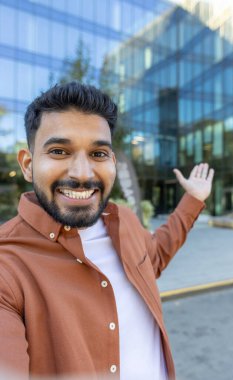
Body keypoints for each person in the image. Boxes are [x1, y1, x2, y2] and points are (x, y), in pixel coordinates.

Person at [0, 82, 214, 380]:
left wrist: (193, 201)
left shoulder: (122, 219)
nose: (83, 174)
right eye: (60, 151)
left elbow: (154, 258)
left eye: (98, 154)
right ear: (27, 164)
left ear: (112, 161)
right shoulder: (7, 265)